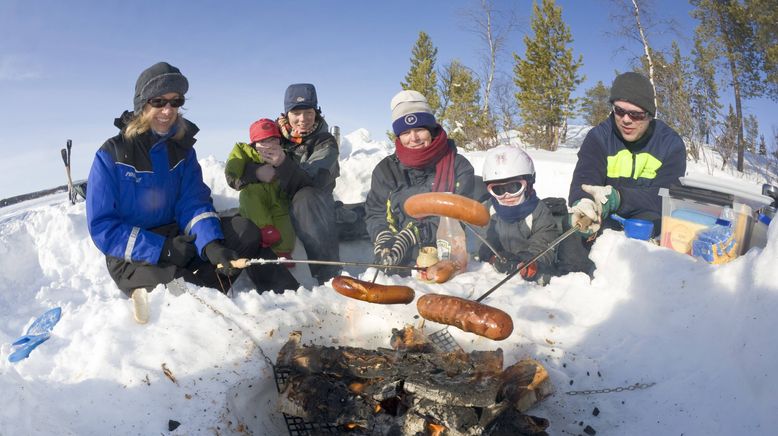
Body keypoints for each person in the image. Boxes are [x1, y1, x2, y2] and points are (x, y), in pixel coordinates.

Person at [86, 61, 298, 322]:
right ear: (142, 104)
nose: (167, 110)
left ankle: (295, 306)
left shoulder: (182, 150)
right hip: (133, 255)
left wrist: (209, 244)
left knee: (245, 231)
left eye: (175, 102)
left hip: (178, 238)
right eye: (159, 101)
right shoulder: (111, 155)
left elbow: (193, 202)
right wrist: (161, 249)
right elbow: (103, 227)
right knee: (181, 288)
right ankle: (202, 308)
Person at [557, 71, 687, 276]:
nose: (626, 119)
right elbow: (584, 180)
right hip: (602, 222)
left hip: (647, 225)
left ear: (649, 114)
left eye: (635, 114)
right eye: (619, 111)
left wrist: (619, 198)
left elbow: (666, 198)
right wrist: (584, 203)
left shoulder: (670, 144)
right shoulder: (599, 137)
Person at [365, 90, 475, 268]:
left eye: (420, 129)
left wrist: (414, 234)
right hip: (396, 256)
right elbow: (375, 212)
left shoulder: (458, 166)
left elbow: (459, 215)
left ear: (431, 130)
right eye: (406, 132)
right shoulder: (386, 169)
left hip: (446, 257)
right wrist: (382, 236)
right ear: (398, 136)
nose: (413, 138)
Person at [256, 83, 341, 284]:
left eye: (308, 112)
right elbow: (238, 169)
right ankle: (270, 285)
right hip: (277, 204)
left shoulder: (325, 142)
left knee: (306, 197)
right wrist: (254, 170)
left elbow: (312, 180)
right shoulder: (272, 136)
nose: (303, 119)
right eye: (296, 112)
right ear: (286, 114)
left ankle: (328, 274)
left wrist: (281, 163)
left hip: (313, 209)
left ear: (316, 112)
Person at [477, 146, 560, 283]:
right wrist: (494, 258)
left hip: (527, 277)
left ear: (529, 184)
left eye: (514, 187)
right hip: (496, 278)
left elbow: (544, 243)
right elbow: (483, 240)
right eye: (498, 190)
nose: (507, 195)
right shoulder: (489, 209)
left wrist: (530, 260)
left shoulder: (539, 211)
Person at [224, 118, 296, 261]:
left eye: (273, 140)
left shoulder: (284, 155)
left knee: (285, 226)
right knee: (250, 197)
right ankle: (264, 229)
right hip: (255, 196)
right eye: (263, 141)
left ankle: (283, 253)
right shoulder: (245, 152)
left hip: (277, 197)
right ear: (254, 144)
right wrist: (253, 173)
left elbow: (293, 175)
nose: (269, 146)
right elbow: (233, 175)